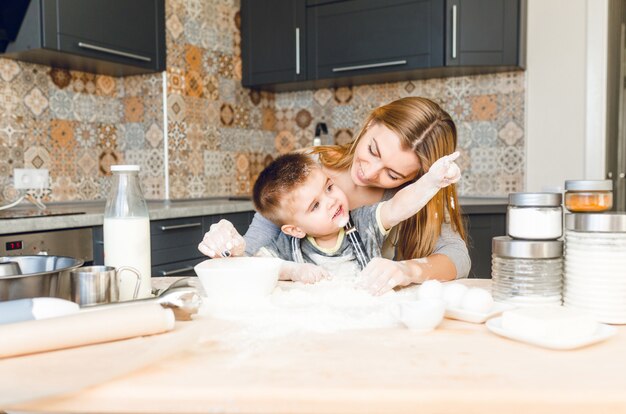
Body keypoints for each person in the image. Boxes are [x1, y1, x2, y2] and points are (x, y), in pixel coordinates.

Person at [199, 97, 470, 295]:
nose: (370, 172)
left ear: (414, 179)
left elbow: (458, 257)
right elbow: (252, 253)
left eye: (394, 174)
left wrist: (407, 271)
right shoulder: (306, 168)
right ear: (370, 124)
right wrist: (228, 243)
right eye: (373, 150)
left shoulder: (403, 200)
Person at [249, 151, 460, 285]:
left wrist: (431, 181)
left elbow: (397, 206)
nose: (331, 200)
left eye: (329, 187)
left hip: (366, 315)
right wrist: (294, 271)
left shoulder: (364, 223)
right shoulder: (287, 246)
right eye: (315, 205)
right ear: (295, 230)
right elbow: (256, 265)